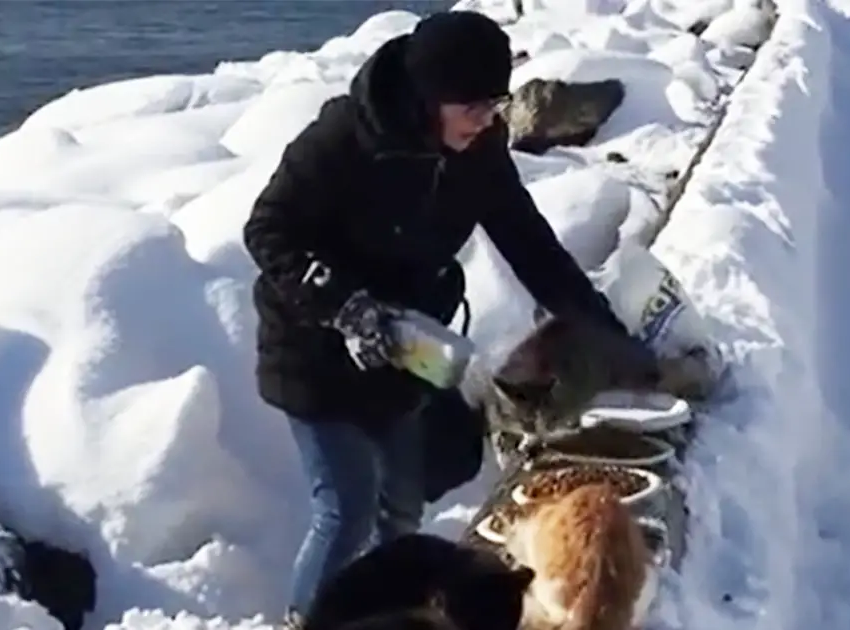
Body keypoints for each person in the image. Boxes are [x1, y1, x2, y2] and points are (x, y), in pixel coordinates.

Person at [241, 9, 654, 628]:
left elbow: (529, 242)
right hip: (313, 350)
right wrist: (346, 306)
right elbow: (266, 230)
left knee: (402, 508)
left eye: (497, 105)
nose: (490, 122)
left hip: (408, 349)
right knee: (346, 511)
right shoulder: (340, 140)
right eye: (475, 107)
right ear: (431, 97)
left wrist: (607, 335)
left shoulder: (477, 148)